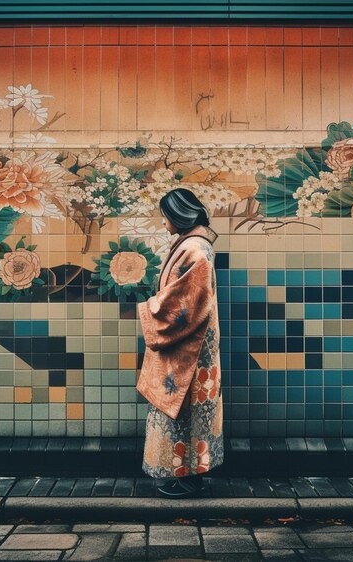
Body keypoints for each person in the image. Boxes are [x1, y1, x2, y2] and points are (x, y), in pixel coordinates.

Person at [136, 188, 224, 498]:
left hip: (191, 346)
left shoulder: (195, 250)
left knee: (183, 409)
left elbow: (188, 300)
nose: (163, 223)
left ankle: (186, 477)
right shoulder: (194, 245)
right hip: (192, 343)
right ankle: (186, 473)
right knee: (184, 409)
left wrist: (152, 308)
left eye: (165, 216)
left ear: (177, 215)